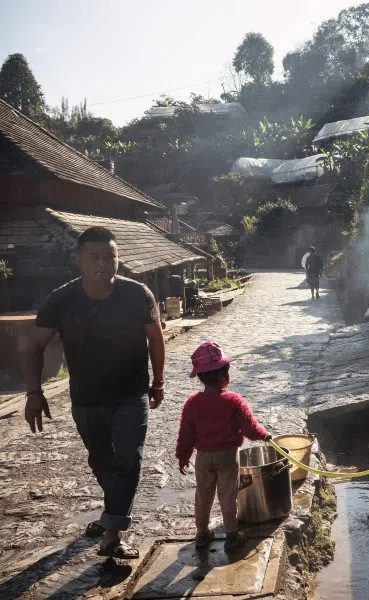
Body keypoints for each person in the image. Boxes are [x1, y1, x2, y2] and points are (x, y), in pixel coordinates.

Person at [24, 226, 165, 560]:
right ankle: (111, 513)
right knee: (100, 460)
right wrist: (33, 391)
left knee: (129, 458)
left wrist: (158, 383)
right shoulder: (60, 300)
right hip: (86, 397)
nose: (103, 263)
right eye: (95, 257)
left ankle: (113, 534)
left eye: (110, 256)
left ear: (118, 258)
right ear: (79, 260)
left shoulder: (137, 294)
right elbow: (34, 346)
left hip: (132, 393)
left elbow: (156, 339)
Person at [176, 340, 271, 551]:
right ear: (224, 376)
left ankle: (202, 533)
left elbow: (185, 435)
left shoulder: (192, 404)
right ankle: (231, 535)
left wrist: (183, 457)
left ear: (200, 377)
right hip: (227, 456)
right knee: (228, 495)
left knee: (203, 494)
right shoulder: (233, 401)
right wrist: (265, 436)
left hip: (203, 457)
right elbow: (250, 428)